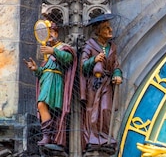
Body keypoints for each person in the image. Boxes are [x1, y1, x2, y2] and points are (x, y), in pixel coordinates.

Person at [24, 21, 76, 147]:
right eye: (46, 33)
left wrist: (53, 51)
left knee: (42, 104)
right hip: (47, 80)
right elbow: (44, 71)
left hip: (55, 81)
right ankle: (48, 135)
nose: (49, 36)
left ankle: (48, 135)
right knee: (43, 106)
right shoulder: (48, 53)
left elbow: (69, 59)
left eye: (50, 32)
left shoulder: (62, 47)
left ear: (56, 33)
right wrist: (36, 69)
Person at [80, 14, 123, 149]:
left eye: (109, 27)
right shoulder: (90, 45)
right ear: (98, 31)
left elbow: (116, 65)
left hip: (107, 83)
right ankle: (93, 137)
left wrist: (117, 75)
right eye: (106, 28)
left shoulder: (112, 48)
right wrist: (94, 60)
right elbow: (83, 65)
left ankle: (104, 135)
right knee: (93, 109)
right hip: (94, 83)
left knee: (105, 108)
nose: (110, 30)